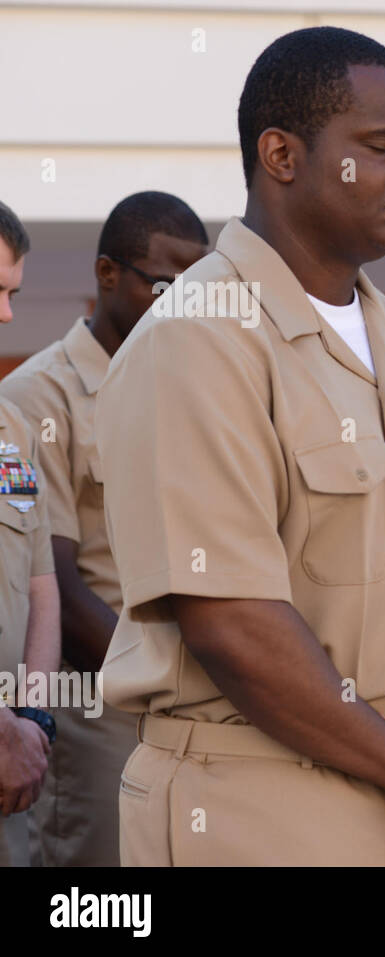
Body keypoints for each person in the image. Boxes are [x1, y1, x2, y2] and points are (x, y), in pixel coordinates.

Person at [94, 26, 385, 866]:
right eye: (383, 145)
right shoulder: (198, 337)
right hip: (262, 802)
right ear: (281, 155)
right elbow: (232, 620)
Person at [0, 192, 208, 867]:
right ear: (107, 273)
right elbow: (51, 576)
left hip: (192, 702)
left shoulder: (192, 388)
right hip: (98, 710)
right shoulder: (37, 396)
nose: (179, 304)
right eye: (164, 284)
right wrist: (169, 674)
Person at [0, 201, 62, 867]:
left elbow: (41, 585)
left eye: (12, 294)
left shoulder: (13, 427)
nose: (7, 316)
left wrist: (35, 720)